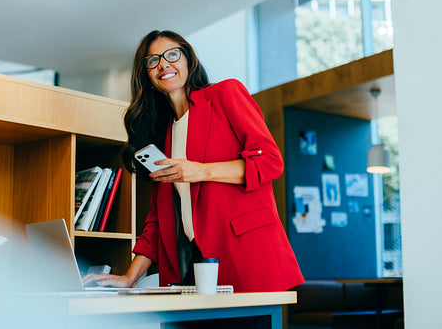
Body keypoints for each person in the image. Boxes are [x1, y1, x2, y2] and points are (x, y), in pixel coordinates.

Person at [84, 30, 304, 292]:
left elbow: (270, 161)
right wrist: (130, 277)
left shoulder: (225, 94)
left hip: (246, 255)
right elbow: (158, 218)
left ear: (188, 60)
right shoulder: (164, 134)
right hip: (194, 266)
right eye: (153, 60)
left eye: (172, 55)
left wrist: (201, 171)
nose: (164, 64)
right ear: (147, 75)